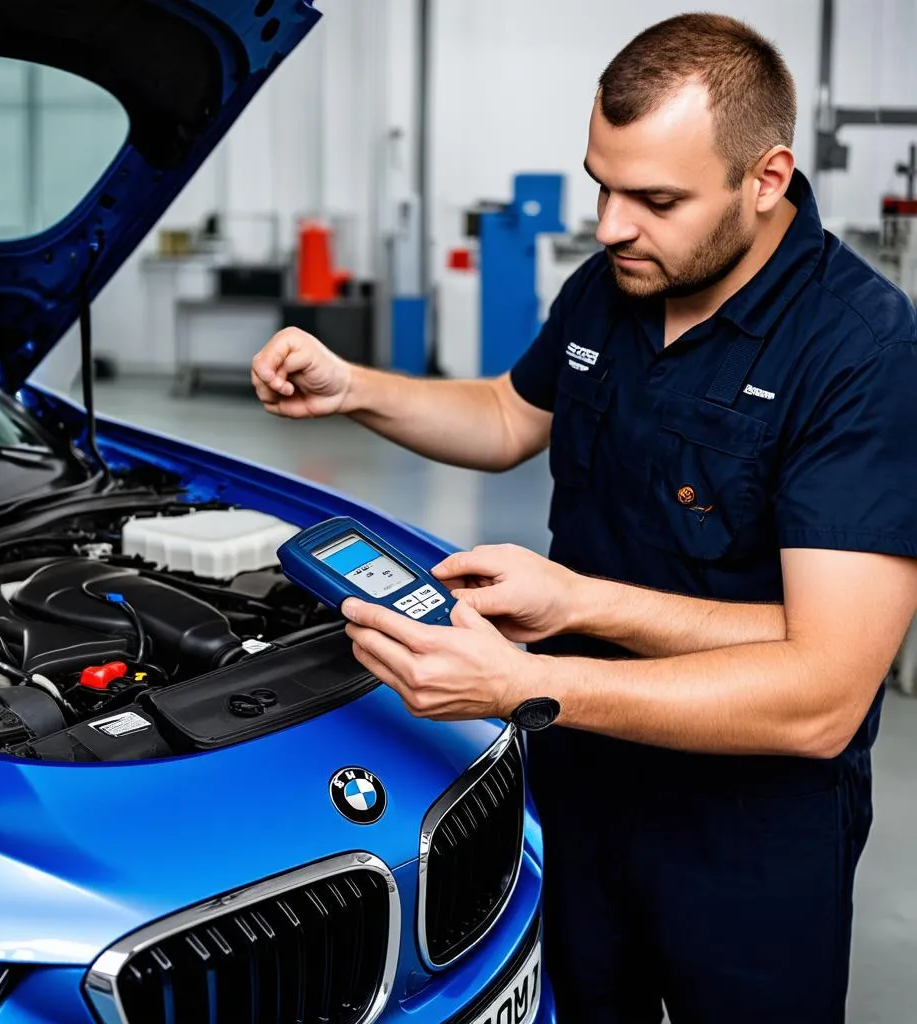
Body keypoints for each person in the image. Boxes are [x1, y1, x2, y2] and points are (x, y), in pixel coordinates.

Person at [251, 13, 917, 1023]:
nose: (609, 225)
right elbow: (509, 414)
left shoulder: (860, 351)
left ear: (767, 179)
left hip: (744, 829)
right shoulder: (613, 286)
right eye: (601, 184)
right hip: (580, 789)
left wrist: (526, 680)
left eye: (652, 198)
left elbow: (821, 694)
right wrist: (353, 389)